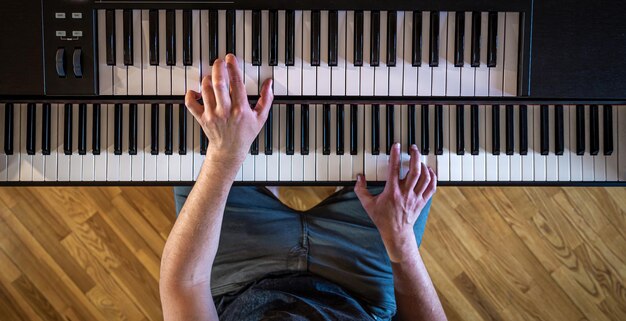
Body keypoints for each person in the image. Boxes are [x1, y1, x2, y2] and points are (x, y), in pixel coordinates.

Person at [159, 54, 446, 321]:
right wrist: (401, 242)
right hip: (361, 286)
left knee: (206, 122)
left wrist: (224, 157)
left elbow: (185, 284)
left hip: (238, 275)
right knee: (408, 126)